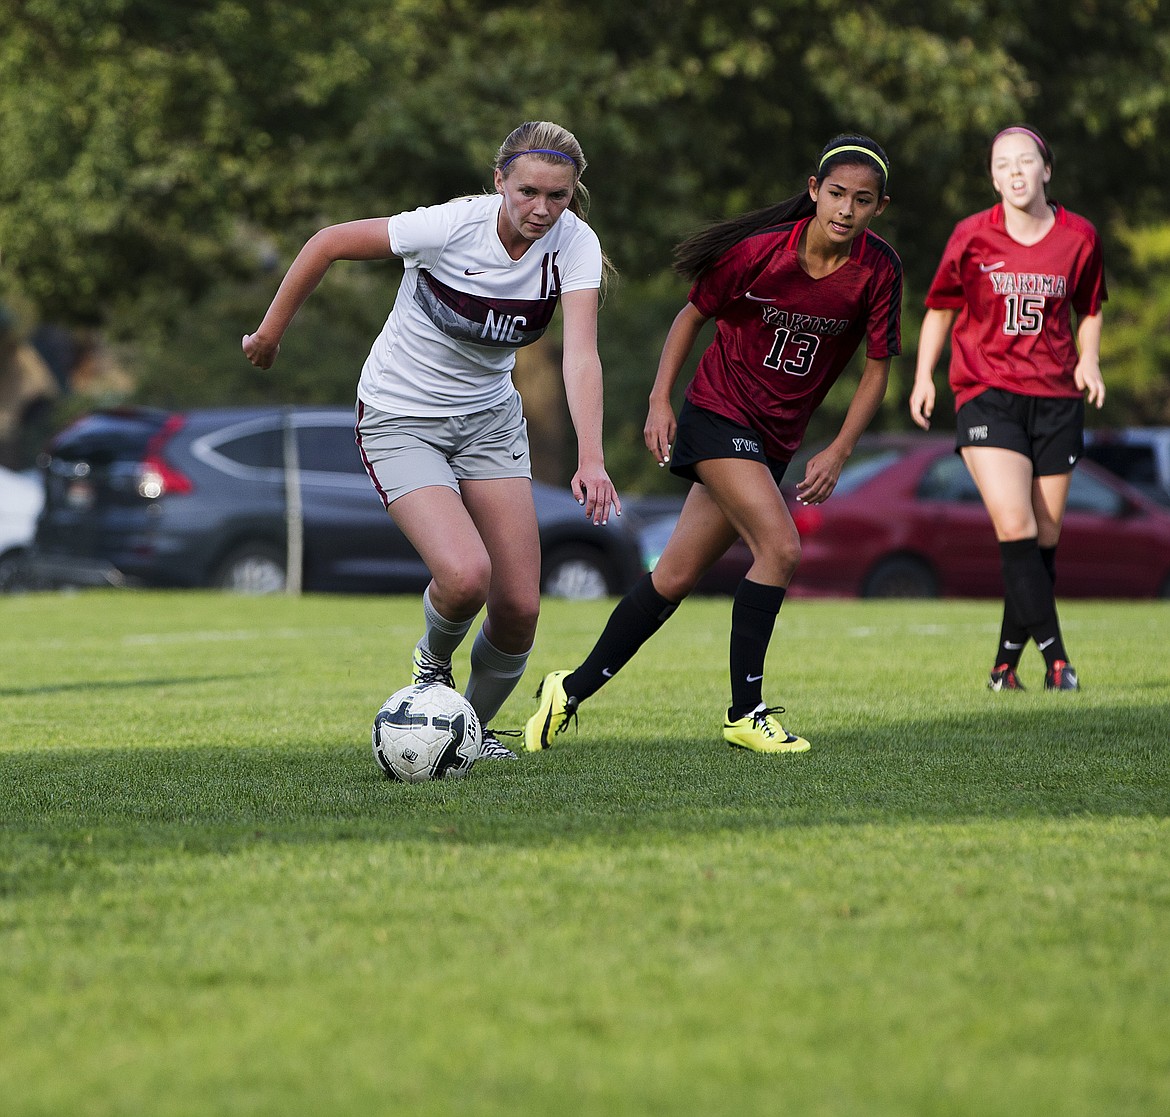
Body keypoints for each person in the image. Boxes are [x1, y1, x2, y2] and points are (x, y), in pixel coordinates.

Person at [243, 121, 621, 759]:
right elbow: (328, 242)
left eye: (558, 196)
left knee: (520, 607)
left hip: (490, 422)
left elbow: (580, 356)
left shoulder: (573, 244)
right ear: (499, 180)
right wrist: (269, 333)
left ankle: (465, 733)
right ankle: (430, 669)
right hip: (400, 416)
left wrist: (592, 457)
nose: (541, 209)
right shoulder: (449, 226)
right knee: (466, 576)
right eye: (527, 191)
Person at [525, 134, 902, 754]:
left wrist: (838, 448)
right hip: (718, 415)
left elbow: (878, 367)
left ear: (878, 208)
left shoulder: (879, 269)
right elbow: (690, 316)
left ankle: (568, 688)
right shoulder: (759, 254)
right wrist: (658, 401)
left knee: (672, 577)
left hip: (776, 437)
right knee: (780, 548)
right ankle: (746, 712)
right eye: (835, 194)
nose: (845, 209)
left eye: (862, 201)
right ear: (814, 192)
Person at [909, 125, 1106, 692]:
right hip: (985, 391)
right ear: (993, 177)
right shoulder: (971, 236)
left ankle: (1003, 668)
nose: (1015, 172)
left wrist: (1089, 360)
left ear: (1047, 170)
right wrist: (924, 375)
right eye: (1003, 164)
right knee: (1014, 522)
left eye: (1026, 162)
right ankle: (1060, 663)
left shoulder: (1080, 237)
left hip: (1057, 399)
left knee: (1042, 537)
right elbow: (941, 309)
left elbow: (1090, 307)